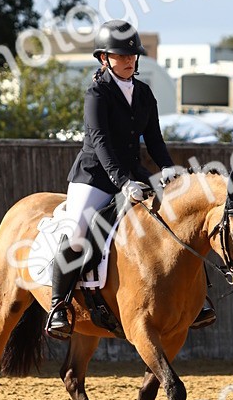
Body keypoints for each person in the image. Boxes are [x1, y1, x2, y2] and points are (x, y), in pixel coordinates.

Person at [44, 18, 217, 339]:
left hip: (135, 175)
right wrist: (122, 181)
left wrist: (168, 170)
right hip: (94, 177)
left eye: (131, 56)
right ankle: (59, 304)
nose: (127, 61)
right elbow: (101, 142)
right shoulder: (97, 94)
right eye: (120, 56)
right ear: (104, 59)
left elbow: (154, 140)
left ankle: (199, 300)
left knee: (180, 220)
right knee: (78, 231)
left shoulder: (144, 93)